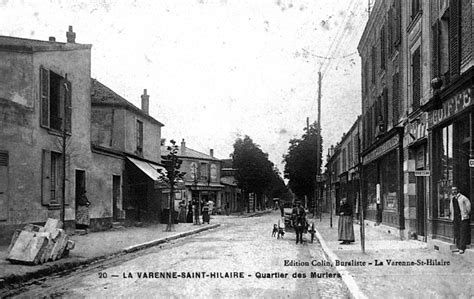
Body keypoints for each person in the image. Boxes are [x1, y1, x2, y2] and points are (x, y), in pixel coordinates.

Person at [450, 187, 471, 254]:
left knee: (462, 233)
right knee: (457, 233)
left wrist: (465, 214)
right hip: (455, 218)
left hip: (462, 218)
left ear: (458, 190)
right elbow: (451, 208)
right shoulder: (452, 198)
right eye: (452, 190)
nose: (454, 191)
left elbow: (468, 207)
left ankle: (462, 248)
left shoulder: (463, 198)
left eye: (455, 190)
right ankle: (458, 247)